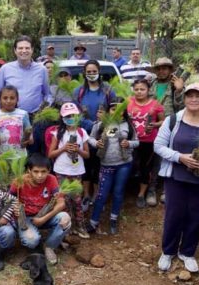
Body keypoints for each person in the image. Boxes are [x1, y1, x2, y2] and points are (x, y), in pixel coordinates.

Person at [154, 83, 199, 273]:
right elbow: (159, 145)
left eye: (198, 96)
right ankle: (168, 251)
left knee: (195, 215)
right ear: (184, 99)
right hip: (176, 177)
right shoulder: (172, 120)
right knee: (173, 214)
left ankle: (187, 252)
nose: (194, 99)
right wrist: (180, 157)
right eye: (190, 95)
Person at [87, 98, 138, 235]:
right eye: (114, 109)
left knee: (118, 192)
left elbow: (137, 142)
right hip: (106, 165)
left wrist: (129, 144)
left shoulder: (128, 124)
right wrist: (96, 143)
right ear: (109, 110)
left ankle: (113, 218)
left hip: (124, 164)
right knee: (102, 194)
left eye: (121, 109)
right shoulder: (100, 125)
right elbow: (90, 138)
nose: (117, 112)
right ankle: (94, 221)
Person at [11, 153, 70, 264]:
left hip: (44, 215)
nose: (40, 175)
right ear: (29, 170)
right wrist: (14, 208)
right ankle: (32, 237)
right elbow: (9, 199)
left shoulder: (52, 179)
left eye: (43, 172)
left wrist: (43, 219)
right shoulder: (19, 181)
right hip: (26, 218)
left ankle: (49, 246)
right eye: (36, 171)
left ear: (49, 170)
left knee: (65, 219)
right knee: (32, 241)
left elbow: (61, 204)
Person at [72, 60, 115, 207]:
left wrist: (104, 120)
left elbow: (115, 111)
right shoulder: (79, 91)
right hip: (83, 133)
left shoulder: (108, 90)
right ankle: (86, 194)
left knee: (99, 164)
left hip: (103, 133)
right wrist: (91, 125)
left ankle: (97, 195)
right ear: (84, 73)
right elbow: (74, 115)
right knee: (85, 164)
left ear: (99, 71)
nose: (91, 74)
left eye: (94, 71)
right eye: (88, 72)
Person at [48, 103, 90, 238]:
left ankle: (81, 226)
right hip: (61, 171)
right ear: (62, 117)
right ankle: (68, 227)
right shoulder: (58, 133)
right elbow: (50, 154)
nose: (71, 118)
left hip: (76, 171)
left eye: (73, 115)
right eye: (67, 116)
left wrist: (78, 149)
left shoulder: (82, 132)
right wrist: (64, 148)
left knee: (77, 200)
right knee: (64, 200)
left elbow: (87, 155)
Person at [0, 36, 51, 117]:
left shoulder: (41, 70)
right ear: (15, 50)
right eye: (20, 48)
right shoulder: (5, 69)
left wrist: (45, 109)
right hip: (11, 117)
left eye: (27, 48)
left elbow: (48, 94)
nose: (24, 51)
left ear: (32, 50)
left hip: (36, 116)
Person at [127, 79, 164, 208]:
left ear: (148, 90)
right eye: (136, 89)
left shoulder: (155, 104)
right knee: (130, 165)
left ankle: (141, 194)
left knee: (145, 168)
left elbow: (162, 121)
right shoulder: (128, 102)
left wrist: (154, 125)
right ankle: (127, 191)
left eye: (142, 89)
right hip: (131, 141)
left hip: (148, 141)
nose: (139, 92)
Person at [0, 85, 33, 156]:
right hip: (1, 155)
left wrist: (29, 139)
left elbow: (29, 133)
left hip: (19, 155)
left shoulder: (23, 114)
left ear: (17, 99)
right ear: (0, 99)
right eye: (5, 98)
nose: (8, 101)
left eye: (12, 98)